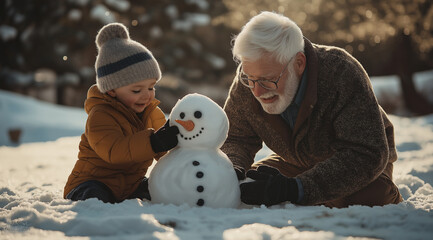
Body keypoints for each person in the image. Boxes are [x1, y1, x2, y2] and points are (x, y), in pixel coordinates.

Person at [222, 11, 403, 208]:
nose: (256, 91)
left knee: (371, 198)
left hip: (357, 164)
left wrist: (295, 189)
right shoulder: (250, 77)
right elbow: (236, 137)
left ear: (299, 63)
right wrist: (234, 168)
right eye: (250, 79)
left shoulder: (341, 72)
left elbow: (367, 153)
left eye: (268, 80)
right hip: (292, 162)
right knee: (248, 188)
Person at [63, 23, 179, 203]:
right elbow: (114, 151)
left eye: (151, 87)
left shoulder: (152, 113)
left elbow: (165, 151)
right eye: (136, 90)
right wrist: (154, 142)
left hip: (130, 185)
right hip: (91, 182)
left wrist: (178, 147)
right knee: (95, 198)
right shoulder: (100, 115)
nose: (147, 95)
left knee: (160, 189)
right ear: (111, 91)